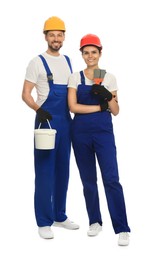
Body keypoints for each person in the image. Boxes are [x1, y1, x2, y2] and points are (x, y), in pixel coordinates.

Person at [68, 34, 131, 246]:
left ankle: (122, 227)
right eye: (86, 52)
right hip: (80, 134)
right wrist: (98, 106)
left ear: (100, 53)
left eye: (94, 52)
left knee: (111, 179)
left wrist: (107, 96)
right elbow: (73, 107)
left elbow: (116, 111)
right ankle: (95, 221)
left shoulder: (108, 77)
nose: (90, 56)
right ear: (82, 54)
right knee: (88, 180)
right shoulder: (75, 78)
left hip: (103, 133)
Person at [22, 16, 79, 239]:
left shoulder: (67, 60)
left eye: (60, 34)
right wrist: (38, 109)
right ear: (45, 36)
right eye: (52, 34)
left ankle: (60, 216)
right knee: (45, 171)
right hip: (46, 120)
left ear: (64, 37)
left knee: (63, 170)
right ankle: (44, 221)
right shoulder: (36, 62)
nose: (56, 38)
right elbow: (25, 94)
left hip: (66, 121)